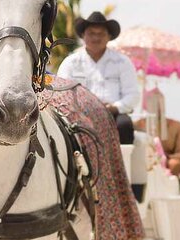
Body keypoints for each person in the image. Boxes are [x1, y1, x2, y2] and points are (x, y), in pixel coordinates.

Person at [57, 11, 139, 144]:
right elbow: (61, 92)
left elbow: (133, 95)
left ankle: (123, 164)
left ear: (109, 36)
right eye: (91, 33)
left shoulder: (122, 62)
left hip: (113, 114)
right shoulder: (70, 63)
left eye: (101, 33)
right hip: (78, 114)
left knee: (125, 125)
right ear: (83, 35)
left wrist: (115, 107)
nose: (96, 38)